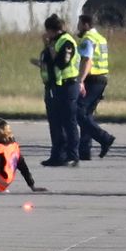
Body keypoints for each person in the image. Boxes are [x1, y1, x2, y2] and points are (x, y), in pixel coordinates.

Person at [39, 16, 80, 167]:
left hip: (68, 86)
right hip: (54, 87)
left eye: (47, 31)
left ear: (52, 30)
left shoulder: (66, 42)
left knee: (69, 122)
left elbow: (62, 63)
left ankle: (73, 156)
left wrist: (49, 45)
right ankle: (57, 155)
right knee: (55, 122)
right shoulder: (54, 42)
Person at [75, 13, 117, 160]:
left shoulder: (88, 39)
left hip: (92, 79)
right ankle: (85, 151)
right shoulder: (101, 38)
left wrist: (81, 80)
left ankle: (105, 138)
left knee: (78, 112)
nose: (78, 28)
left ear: (86, 24)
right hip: (102, 78)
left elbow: (87, 60)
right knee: (87, 114)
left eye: (79, 24)